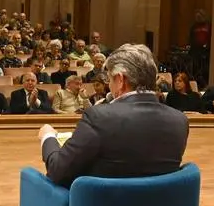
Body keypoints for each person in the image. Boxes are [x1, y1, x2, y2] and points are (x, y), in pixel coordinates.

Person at [37, 43, 189, 187]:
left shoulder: (98, 117)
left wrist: (48, 137)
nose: (109, 86)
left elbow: (58, 171)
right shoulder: (180, 121)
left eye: (110, 79)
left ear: (120, 80)